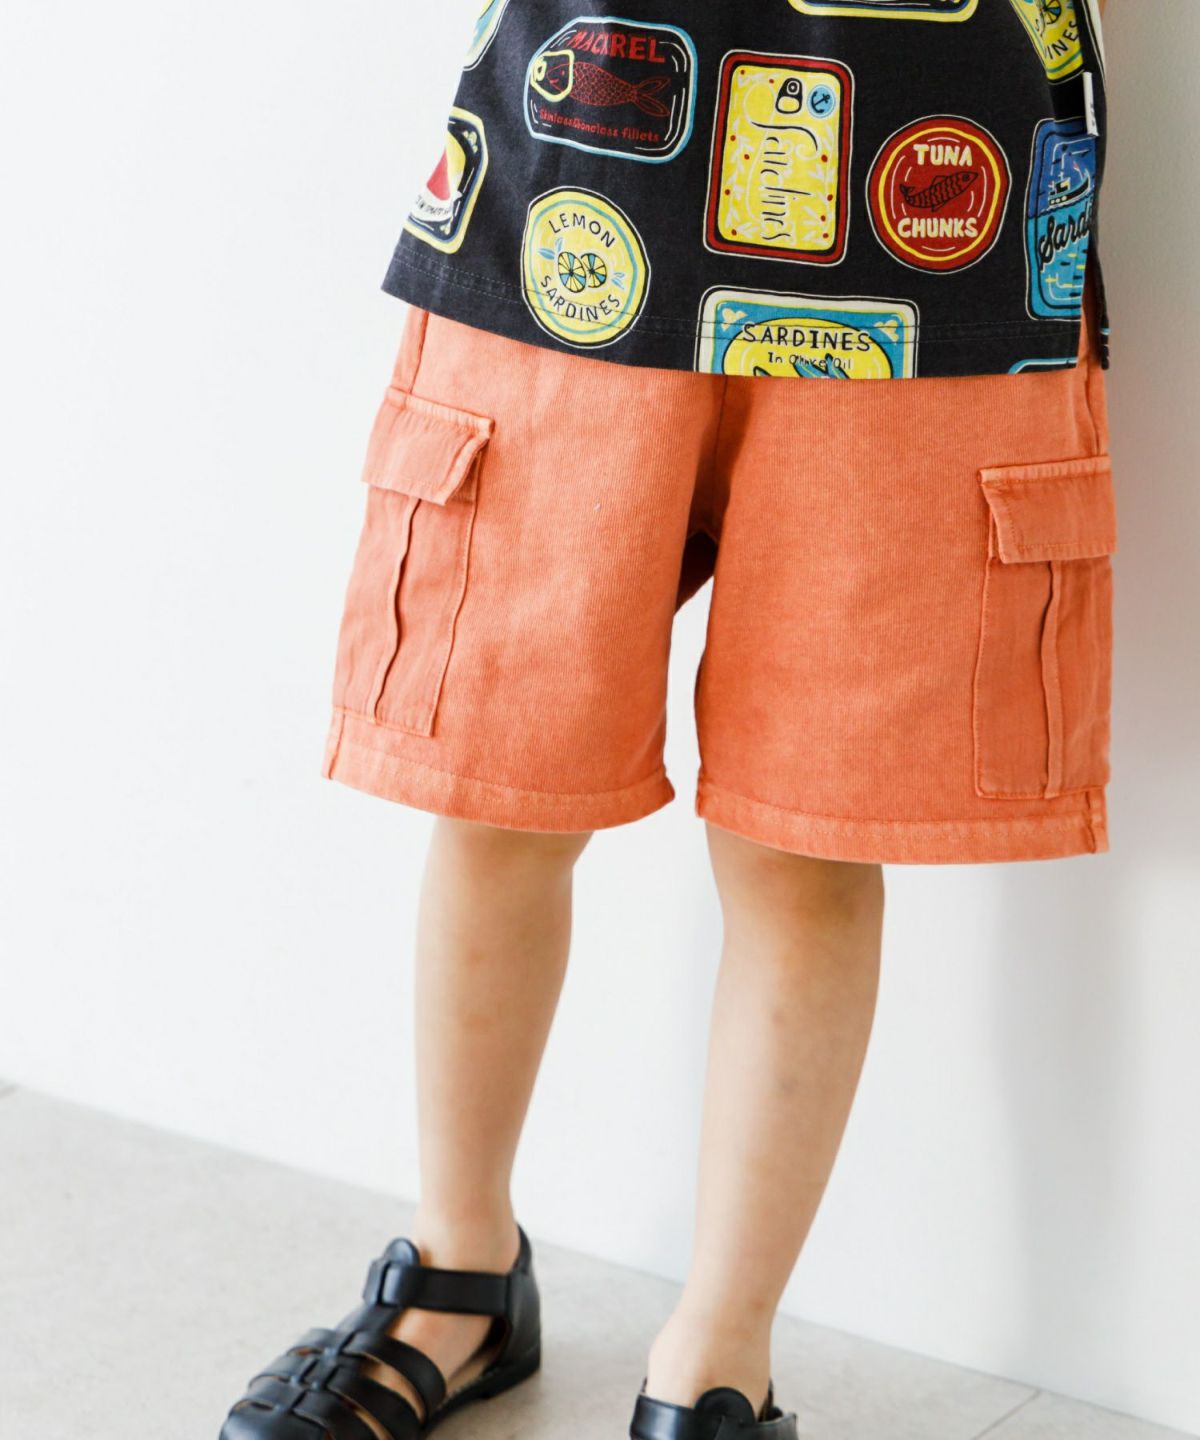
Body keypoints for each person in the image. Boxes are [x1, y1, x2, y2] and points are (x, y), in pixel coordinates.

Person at [221, 1, 1116, 1436]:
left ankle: (719, 1355)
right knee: (502, 784)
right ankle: (459, 1269)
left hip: (940, 218)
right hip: (581, 200)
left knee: (809, 833)